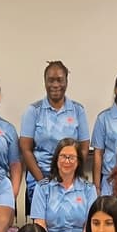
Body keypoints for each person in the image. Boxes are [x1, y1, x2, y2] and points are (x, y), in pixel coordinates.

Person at [19, 60, 90, 214]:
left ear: (66, 81)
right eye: (51, 80)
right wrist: (43, 183)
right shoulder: (34, 111)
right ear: (45, 82)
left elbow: (84, 148)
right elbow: (25, 150)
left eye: (60, 80)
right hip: (40, 177)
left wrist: (71, 175)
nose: (55, 85)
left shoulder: (78, 110)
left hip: (70, 177)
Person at [30, 137, 96, 232]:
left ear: (78, 161)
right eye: (63, 157)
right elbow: (39, 225)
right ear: (56, 159)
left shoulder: (89, 189)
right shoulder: (42, 188)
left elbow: (90, 225)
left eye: (71, 157)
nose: (67, 161)